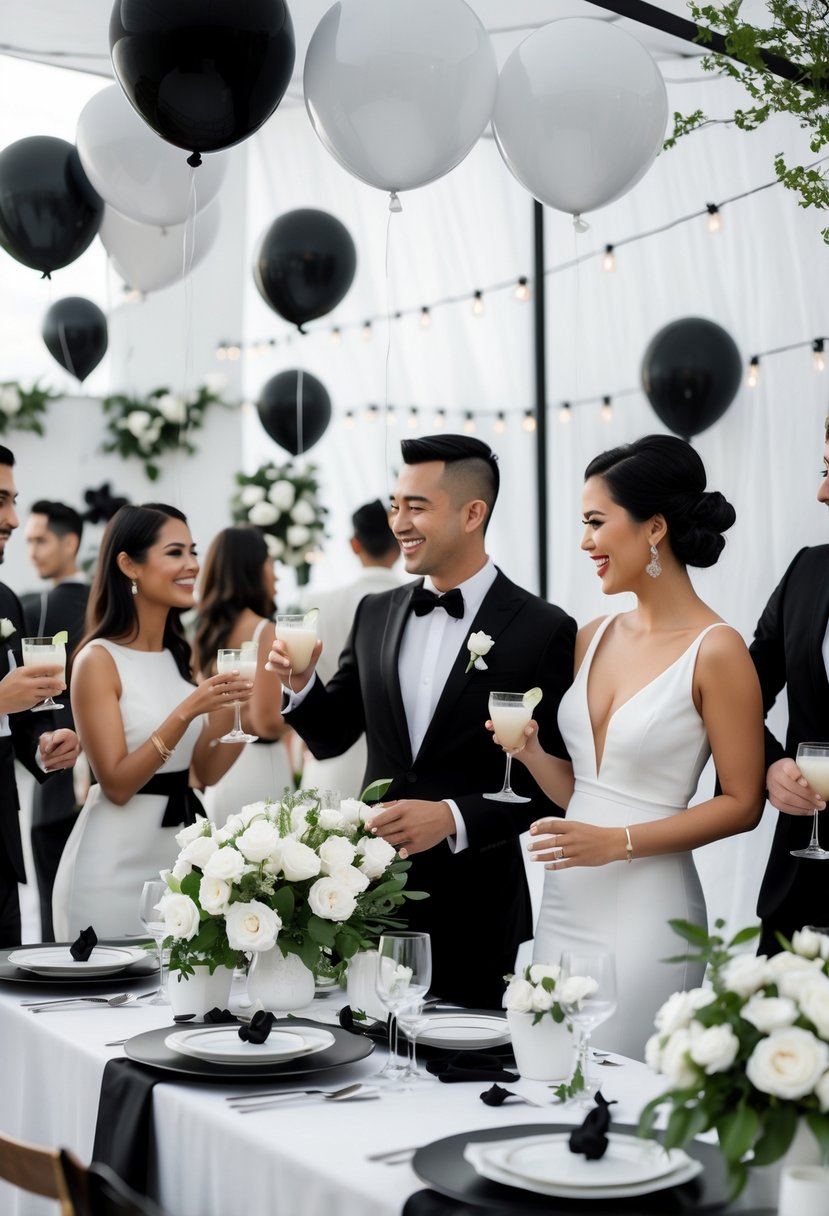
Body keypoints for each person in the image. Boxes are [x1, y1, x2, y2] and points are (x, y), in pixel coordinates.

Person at [268, 434, 577, 1009]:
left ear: (472, 514)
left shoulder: (543, 628)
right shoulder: (375, 612)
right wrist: (300, 685)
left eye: (416, 506)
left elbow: (557, 785)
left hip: (478, 906)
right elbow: (333, 735)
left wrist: (452, 817)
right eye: (394, 505)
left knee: (461, 1077)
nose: (399, 522)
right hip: (369, 897)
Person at [494, 435, 765, 1057]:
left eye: (596, 522)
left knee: (622, 1094)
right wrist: (535, 755)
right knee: (549, 1073)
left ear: (655, 528)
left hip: (648, 909)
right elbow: (588, 790)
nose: (585, 541)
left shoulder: (717, 649)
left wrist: (617, 844)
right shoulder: (592, 636)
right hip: (563, 901)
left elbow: (744, 803)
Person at [52, 504, 255, 939]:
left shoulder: (178, 656)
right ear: (129, 565)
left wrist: (243, 709)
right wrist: (186, 711)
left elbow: (203, 772)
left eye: (193, 552)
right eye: (176, 552)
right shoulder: (97, 659)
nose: (193, 565)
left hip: (176, 860)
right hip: (110, 867)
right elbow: (118, 785)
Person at [750, 419, 829, 952]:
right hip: (802, 886)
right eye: (826, 470)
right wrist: (769, 762)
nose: (822, 492)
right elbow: (738, 693)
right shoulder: (806, 571)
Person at [0, 448, 81, 946]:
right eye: (0, 501)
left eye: (13, 501)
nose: (10, 518)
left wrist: (45, 747)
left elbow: (23, 718)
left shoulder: (6, 600)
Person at [301, 498, 404, 799]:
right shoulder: (416, 605)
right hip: (391, 762)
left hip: (327, 758)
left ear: (354, 544)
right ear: (399, 543)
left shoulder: (315, 603)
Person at [22, 500, 90, 940]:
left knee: (56, 924)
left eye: (41, 540)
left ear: (71, 542)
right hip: (107, 781)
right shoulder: (113, 606)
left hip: (53, 781)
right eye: (28, 541)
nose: (32, 551)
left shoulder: (35, 609)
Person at [193, 525, 293, 823]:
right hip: (261, 771)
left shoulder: (205, 633)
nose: (275, 574)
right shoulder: (265, 631)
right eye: (270, 562)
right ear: (252, 568)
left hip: (221, 771)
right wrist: (302, 712)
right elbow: (267, 722)